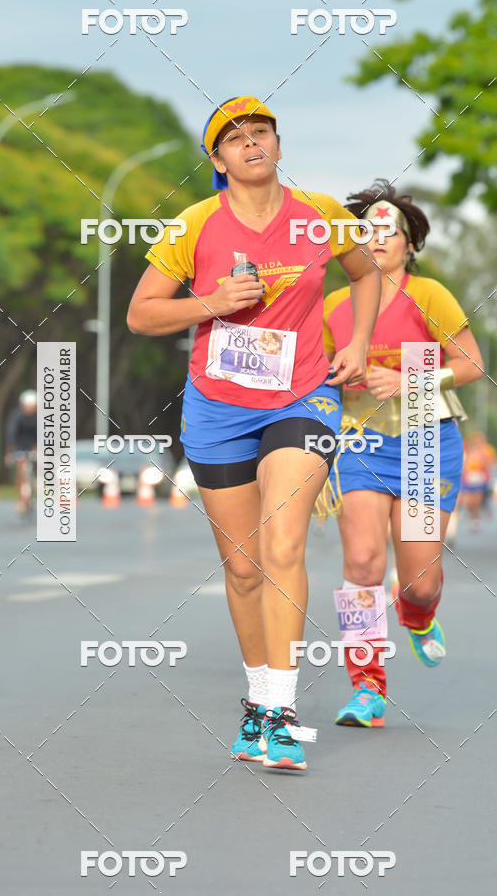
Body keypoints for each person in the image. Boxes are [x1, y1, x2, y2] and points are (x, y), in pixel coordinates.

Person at [127, 96, 381, 770]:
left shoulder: (321, 215)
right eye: (235, 138)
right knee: (242, 570)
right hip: (218, 408)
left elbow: (366, 275)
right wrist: (211, 303)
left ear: (277, 143)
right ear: (218, 159)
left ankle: (280, 711)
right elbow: (141, 315)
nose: (251, 144)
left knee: (283, 539)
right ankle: (257, 699)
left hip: (303, 395)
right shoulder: (193, 226)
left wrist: (355, 342)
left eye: (261, 132)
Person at [320, 179, 484, 728]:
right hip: (360, 442)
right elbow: (313, 379)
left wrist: (410, 378)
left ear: (411, 244)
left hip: (422, 438)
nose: (379, 237)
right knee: (363, 563)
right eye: (367, 229)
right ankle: (367, 688)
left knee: (419, 580)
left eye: (392, 230)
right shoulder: (334, 305)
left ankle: (417, 614)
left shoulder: (430, 294)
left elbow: (469, 365)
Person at [5, 389, 38, 513]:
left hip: (34, 446)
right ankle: (20, 498)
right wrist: (10, 450)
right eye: (28, 406)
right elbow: (11, 433)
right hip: (19, 446)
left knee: (38, 463)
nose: (30, 409)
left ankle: (35, 485)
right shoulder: (16, 416)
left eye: (32, 406)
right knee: (21, 469)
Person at [460, 431, 496, 531]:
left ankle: (476, 520)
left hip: (480, 479)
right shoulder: (468, 451)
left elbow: (490, 464)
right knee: (468, 502)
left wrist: (483, 462)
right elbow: (464, 464)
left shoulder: (486, 451)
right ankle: (473, 516)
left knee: (476, 501)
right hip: (469, 478)